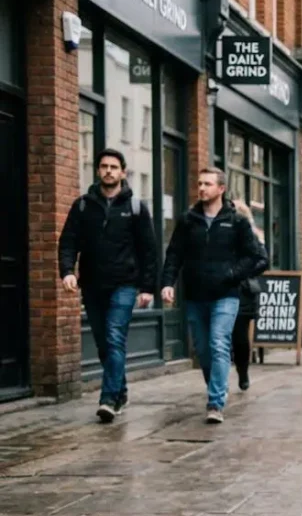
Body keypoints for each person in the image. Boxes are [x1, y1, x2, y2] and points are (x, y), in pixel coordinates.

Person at [161, 168, 269, 424]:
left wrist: (232, 274)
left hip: (226, 295)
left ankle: (215, 402)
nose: (201, 188)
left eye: (207, 184)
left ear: (221, 189)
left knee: (219, 343)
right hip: (195, 295)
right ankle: (217, 385)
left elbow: (256, 257)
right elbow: (174, 254)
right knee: (203, 349)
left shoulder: (237, 221)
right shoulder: (188, 220)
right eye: (199, 183)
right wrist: (167, 283)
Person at [58, 148, 158, 423]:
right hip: (92, 285)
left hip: (124, 284)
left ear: (123, 172)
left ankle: (108, 399)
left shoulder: (136, 208)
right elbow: (68, 242)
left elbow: (149, 251)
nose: (109, 171)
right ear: (98, 170)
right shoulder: (82, 206)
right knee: (104, 344)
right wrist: (67, 272)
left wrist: (147, 287)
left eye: (114, 167)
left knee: (114, 337)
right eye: (104, 166)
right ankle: (120, 391)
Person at [230, 201, 263, 391]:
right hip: (222, 288)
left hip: (243, 290)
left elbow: (263, 260)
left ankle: (243, 371)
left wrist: (243, 272)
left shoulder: (251, 235)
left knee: (240, 335)